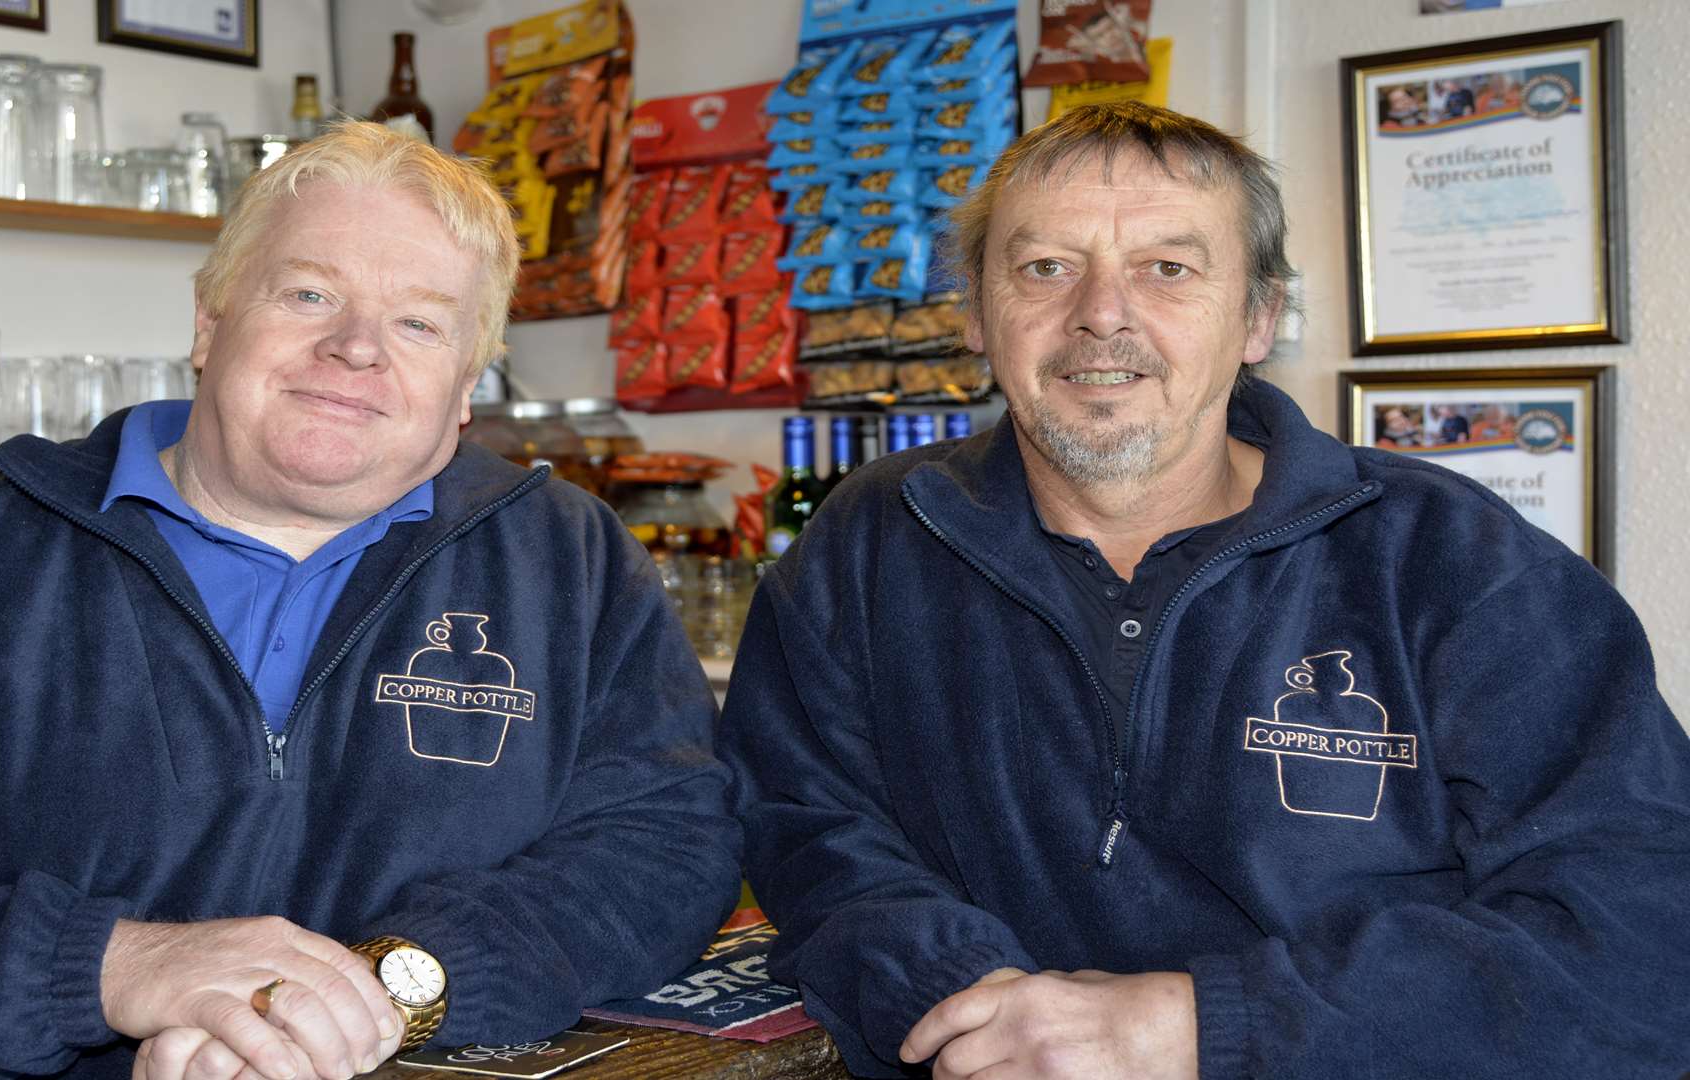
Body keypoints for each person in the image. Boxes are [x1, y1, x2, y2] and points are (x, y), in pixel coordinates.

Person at [719, 102, 1690, 1080]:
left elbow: (1641, 927)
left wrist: (1197, 1029)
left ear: (1259, 318)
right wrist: (968, 1001)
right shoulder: (874, 537)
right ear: (975, 313)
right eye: (1044, 267)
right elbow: (809, 834)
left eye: (1168, 269)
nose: (1102, 312)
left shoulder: (1451, 559)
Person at [0, 121, 741, 1080]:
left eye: (419, 322)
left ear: (462, 394)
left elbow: (665, 847)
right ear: (208, 320)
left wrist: (385, 993)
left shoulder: (566, 560)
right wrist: (107, 968)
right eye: (310, 292)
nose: (357, 348)